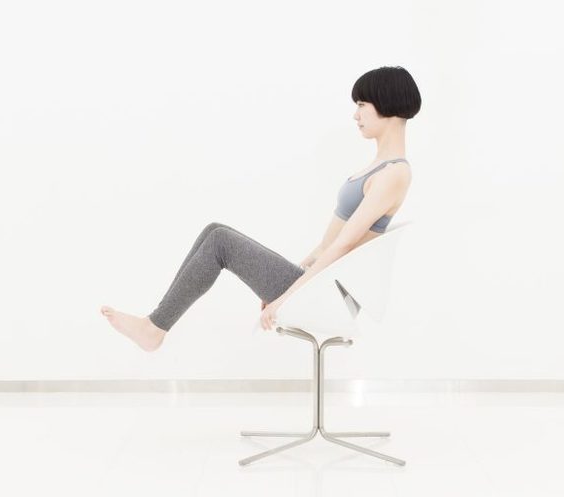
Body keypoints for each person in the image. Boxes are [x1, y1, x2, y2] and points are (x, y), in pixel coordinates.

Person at [100, 65, 421, 351]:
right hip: (318, 283)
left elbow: (344, 246)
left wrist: (285, 297)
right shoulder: (379, 167)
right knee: (214, 230)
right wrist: (283, 277)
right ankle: (155, 323)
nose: (355, 115)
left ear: (387, 104)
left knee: (220, 242)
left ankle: (153, 329)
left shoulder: (394, 172)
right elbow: (327, 245)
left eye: (362, 104)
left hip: (330, 295)